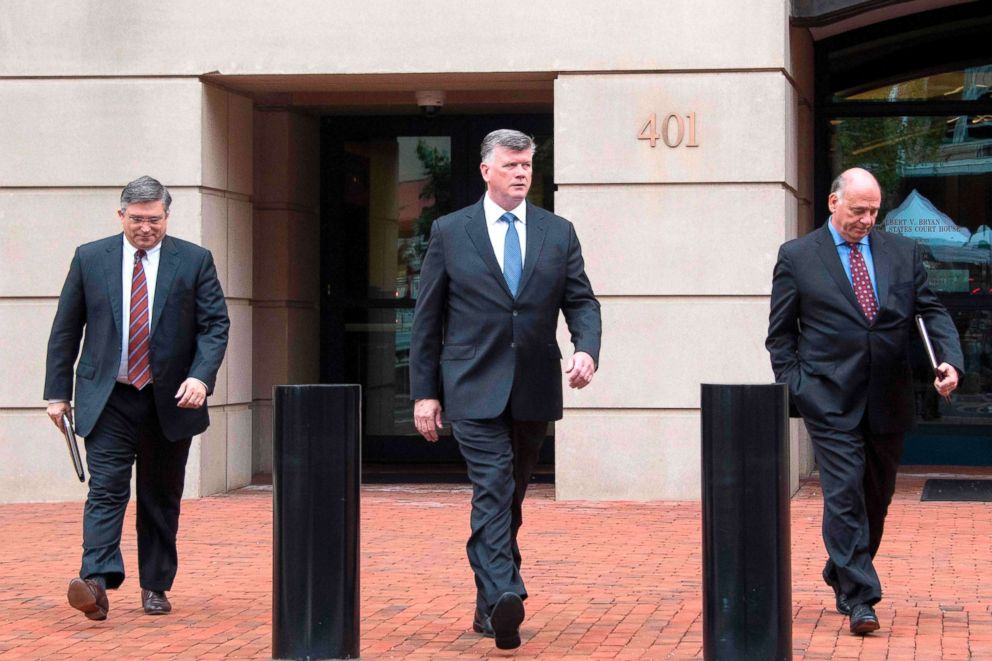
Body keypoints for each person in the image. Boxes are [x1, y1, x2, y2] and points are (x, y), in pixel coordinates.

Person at [409, 129, 601, 650]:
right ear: (486, 170)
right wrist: (424, 393)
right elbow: (427, 319)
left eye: (527, 166)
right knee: (493, 486)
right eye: (512, 164)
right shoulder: (451, 231)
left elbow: (582, 301)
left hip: (534, 385)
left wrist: (586, 348)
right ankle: (504, 594)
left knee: (510, 496)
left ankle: (485, 605)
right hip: (471, 386)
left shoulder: (557, 232)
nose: (521, 173)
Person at [766, 167, 963, 635]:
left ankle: (841, 569)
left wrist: (949, 360)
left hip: (888, 396)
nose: (868, 219)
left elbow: (930, 310)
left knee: (876, 497)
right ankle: (860, 598)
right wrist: (799, 387)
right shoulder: (797, 256)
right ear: (834, 203)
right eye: (859, 210)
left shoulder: (903, 252)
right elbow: (780, 337)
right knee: (844, 494)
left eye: (874, 211)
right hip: (828, 398)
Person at [44, 176, 230, 621]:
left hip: (171, 399)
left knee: (159, 495)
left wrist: (201, 378)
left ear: (167, 216)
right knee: (105, 489)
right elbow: (66, 328)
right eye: (137, 219)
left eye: (155, 219)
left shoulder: (194, 261)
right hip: (109, 396)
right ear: (120, 215)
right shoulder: (91, 258)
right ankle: (95, 581)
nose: (146, 228)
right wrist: (57, 394)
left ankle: (155, 585)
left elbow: (214, 327)